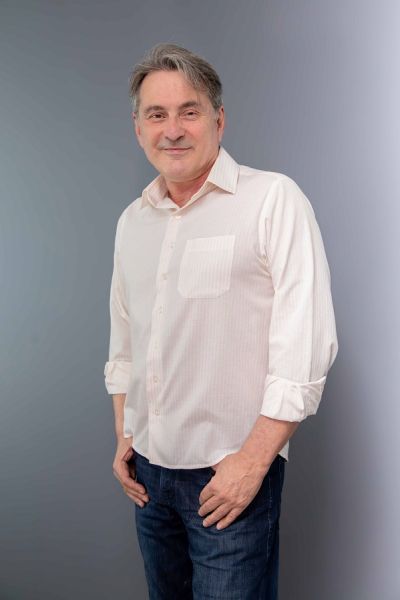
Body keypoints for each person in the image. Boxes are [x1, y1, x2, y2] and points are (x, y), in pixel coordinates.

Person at [104, 43, 338, 600]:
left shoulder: (272, 200)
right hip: (148, 479)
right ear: (138, 128)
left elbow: (306, 346)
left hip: (228, 479)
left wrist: (252, 464)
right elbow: (125, 343)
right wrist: (124, 435)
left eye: (189, 111)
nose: (173, 130)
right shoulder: (133, 222)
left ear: (219, 119)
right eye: (156, 115)